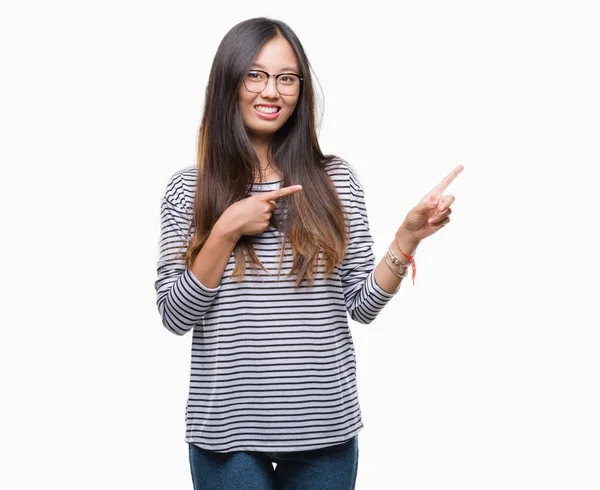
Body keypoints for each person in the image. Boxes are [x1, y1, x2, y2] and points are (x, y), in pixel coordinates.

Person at [155, 17, 462, 490]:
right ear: (228, 83)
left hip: (325, 431)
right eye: (254, 75)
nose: (270, 91)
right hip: (227, 433)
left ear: (300, 89)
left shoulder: (335, 181)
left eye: (286, 77)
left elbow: (361, 306)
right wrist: (225, 230)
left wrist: (406, 241)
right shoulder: (189, 189)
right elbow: (176, 316)